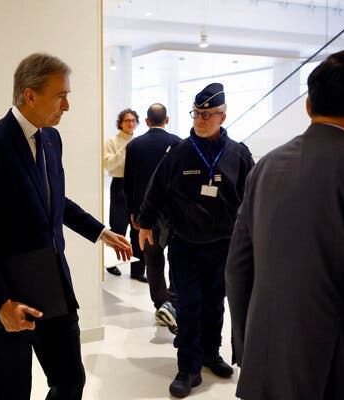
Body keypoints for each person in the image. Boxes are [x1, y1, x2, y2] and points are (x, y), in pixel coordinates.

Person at [226, 51, 344, 400]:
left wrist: (251, 349)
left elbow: (237, 266)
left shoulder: (267, 166)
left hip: (267, 368)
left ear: (308, 106)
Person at [0, 53, 132, 400]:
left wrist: (100, 232)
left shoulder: (51, 139)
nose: (66, 105)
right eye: (60, 95)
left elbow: (56, 201)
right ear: (30, 95)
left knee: (70, 381)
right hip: (8, 290)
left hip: (52, 283)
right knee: (13, 391)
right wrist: (1, 302)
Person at [138, 83, 254, 398]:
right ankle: (187, 366)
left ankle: (210, 353)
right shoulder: (179, 152)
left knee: (216, 303)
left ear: (223, 116)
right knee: (189, 305)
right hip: (185, 244)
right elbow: (156, 189)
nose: (200, 120)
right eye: (196, 113)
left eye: (207, 115)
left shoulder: (238, 154)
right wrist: (145, 223)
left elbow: (252, 198)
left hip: (223, 245)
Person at [123, 103, 181, 334]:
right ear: (166, 120)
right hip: (173, 214)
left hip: (146, 215)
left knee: (153, 260)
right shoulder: (178, 143)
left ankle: (160, 304)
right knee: (176, 259)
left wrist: (133, 212)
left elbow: (128, 183)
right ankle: (172, 304)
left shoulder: (134, 145)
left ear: (146, 122)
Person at [103, 109, 146, 281]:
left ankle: (137, 271)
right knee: (118, 227)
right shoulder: (112, 141)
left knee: (137, 228)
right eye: (127, 120)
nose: (130, 123)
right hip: (119, 185)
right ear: (120, 123)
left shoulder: (139, 142)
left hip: (136, 187)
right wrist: (124, 150)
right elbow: (109, 166)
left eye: (134, 120)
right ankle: (112, 264)